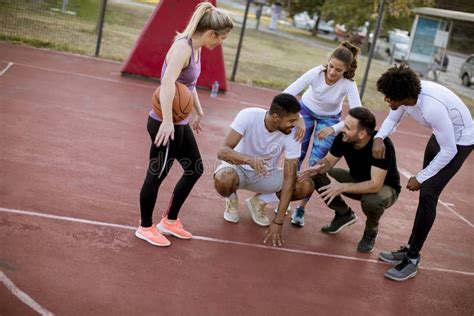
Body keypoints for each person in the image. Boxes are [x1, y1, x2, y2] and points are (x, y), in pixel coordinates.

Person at [136, 2, 233, 247]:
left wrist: (198, 111)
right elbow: (168, 84)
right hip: (164, 123)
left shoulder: (197, 49)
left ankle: (169, 221)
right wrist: (168, 121)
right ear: (211, 33)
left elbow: (187, 87)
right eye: (221, 38)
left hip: (180, 122)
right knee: (157, 174)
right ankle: (145, 227)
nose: (220, 43)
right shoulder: (182, 47)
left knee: (195, 169)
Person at [374, 64, 473, 281]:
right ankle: (410, 247)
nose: (386, 100)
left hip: (460, 141)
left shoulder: (431, 107)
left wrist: (421, 176)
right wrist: (379, 137)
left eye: (389, 97)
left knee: (428, 192)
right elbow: (392, 119)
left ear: (402, 95)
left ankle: (412, 259)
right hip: (442, 136)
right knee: (424, 193)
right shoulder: (405, 97)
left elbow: (449, 151)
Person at [213, 93, 315, 246]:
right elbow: (223, 152)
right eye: (292, 120)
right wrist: (249, 159)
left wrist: (278, 222)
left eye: (297, 119)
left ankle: (258, 202)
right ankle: (232, 200)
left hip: (265, 174)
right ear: (276, 117)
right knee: (223, 179)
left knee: (305, 184)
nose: (295, 124)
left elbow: (289, 178)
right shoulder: (248, 115)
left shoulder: (293, 133)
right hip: (237, 168)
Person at [283, 41, 362, 227]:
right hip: (305, 110)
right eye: (331, 67)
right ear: (328, 62)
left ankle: (301, 208)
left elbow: (358, 115)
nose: (333, 72)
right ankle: (284, 200)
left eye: (339, 70)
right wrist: (296, 117)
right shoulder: (316, 72)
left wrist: (334, 128)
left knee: (315, 166)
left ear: (347, 70)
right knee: (296, 156)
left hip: (330, 120)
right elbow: (287, 94)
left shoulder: (348, 84)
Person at [299, 107, 400, 252]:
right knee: (317, 175)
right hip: (355, 179)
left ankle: (370, 232)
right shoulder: (343, 138)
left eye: (347, 127)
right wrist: (316, 167)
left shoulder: (382, 146)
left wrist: (341, 187)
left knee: (372, 201)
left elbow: (375, 185)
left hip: (385, 188)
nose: (342, 129)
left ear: (362, 133)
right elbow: (328, 162)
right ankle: (343, 214)